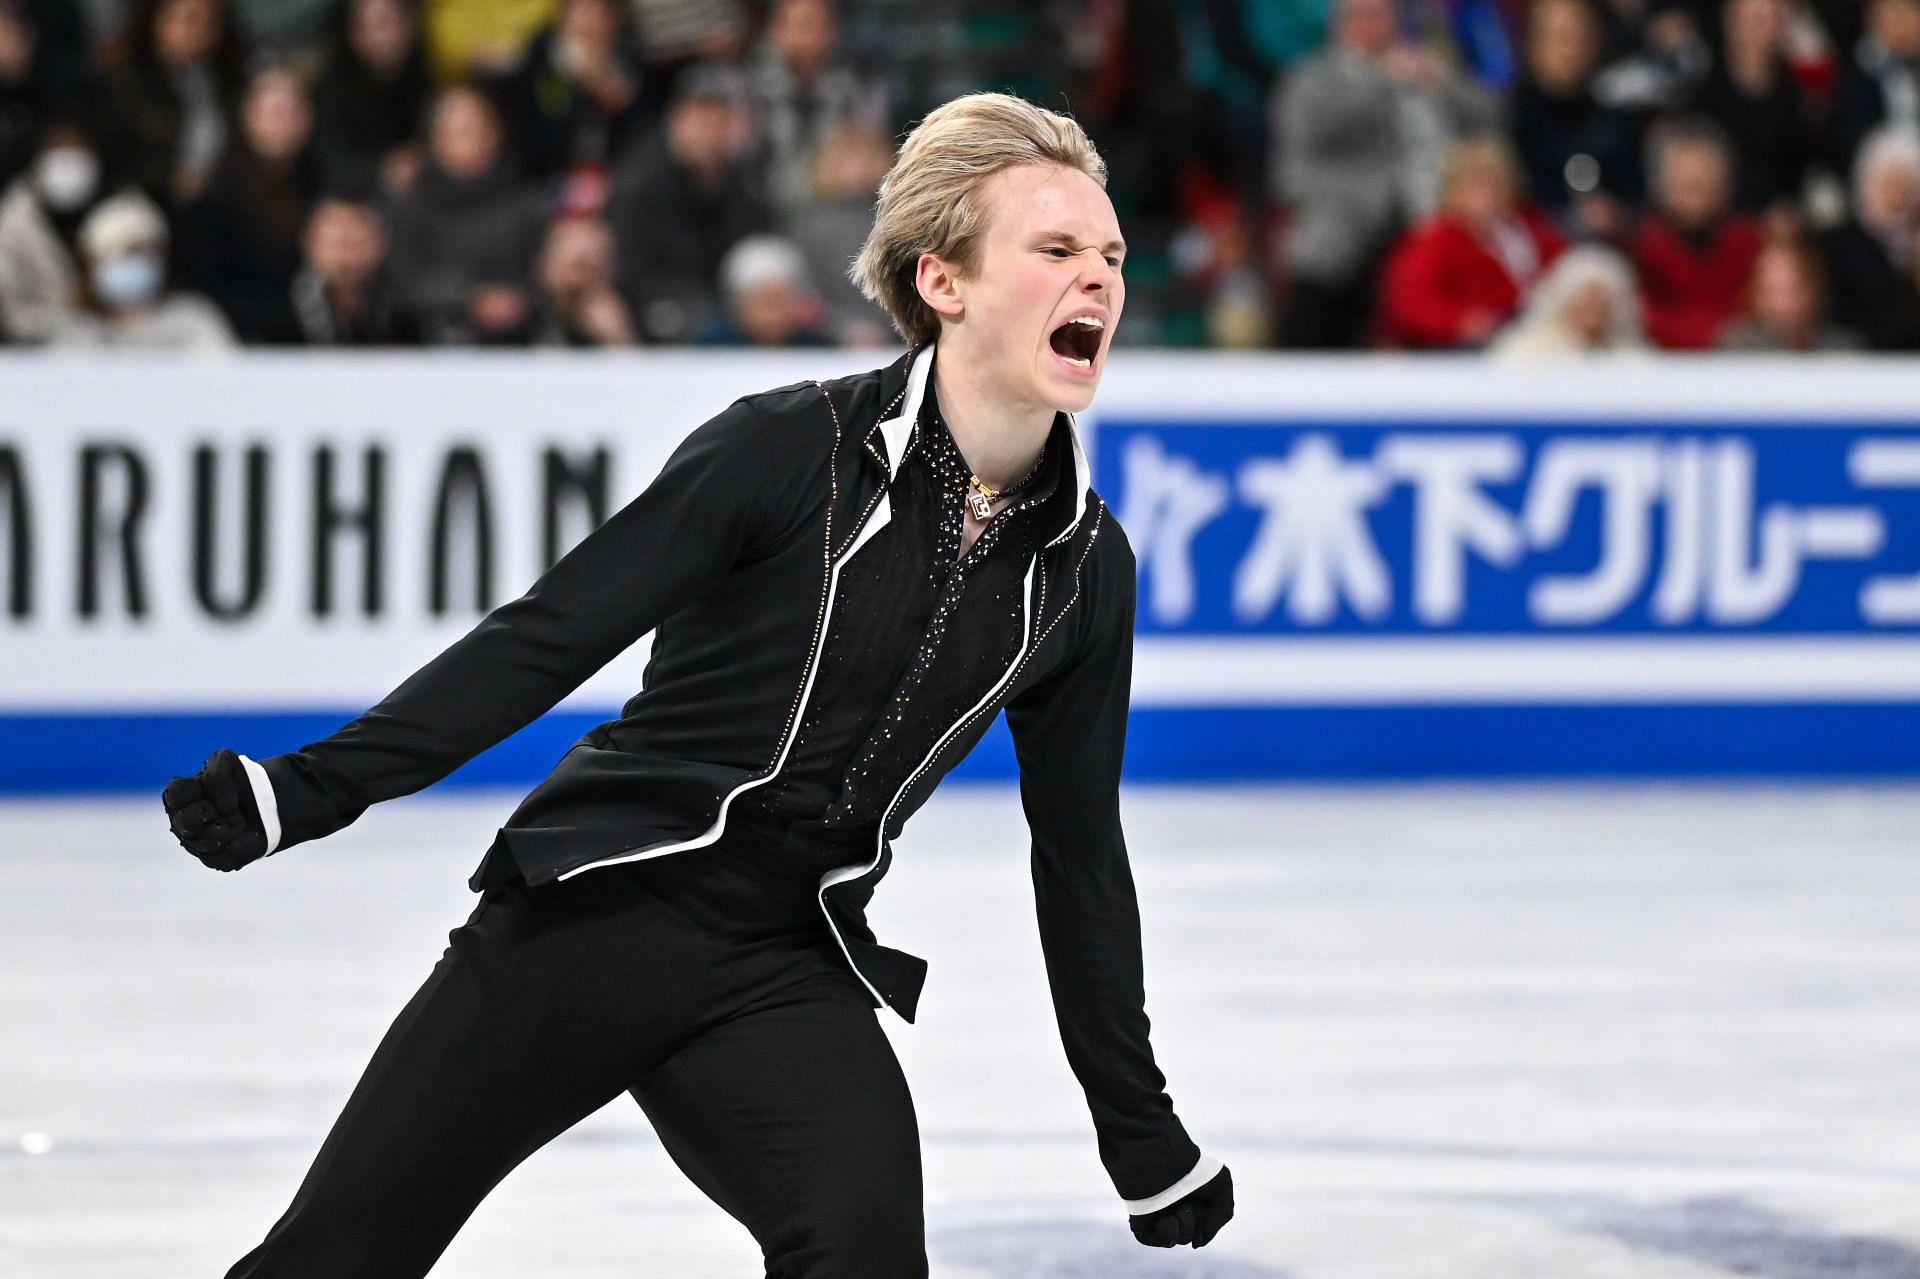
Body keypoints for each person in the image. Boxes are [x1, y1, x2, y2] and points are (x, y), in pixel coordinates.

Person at [162, 90, 1232, 1278]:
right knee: (334, 1260)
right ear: (945, 282)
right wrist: (307, 789)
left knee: (864, 1253)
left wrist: (1137, 1127)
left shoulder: (1083, 567)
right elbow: (548, 635)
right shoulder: (784, 450)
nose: (1099, 279)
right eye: (1056, 249)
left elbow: (1078, 854)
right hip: (593, 911)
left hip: (784, 957)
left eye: (1112, 255)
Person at [1377, 135, 1568, 348]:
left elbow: (1570, 272)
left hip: (1539, 338)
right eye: (1474, 186)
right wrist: (1459, 321)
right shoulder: (1435, 241)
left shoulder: (1533, 231)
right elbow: (1408, 302)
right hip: (1465, 351)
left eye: (1493, 184)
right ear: (1452, 191)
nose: (1486, 197)